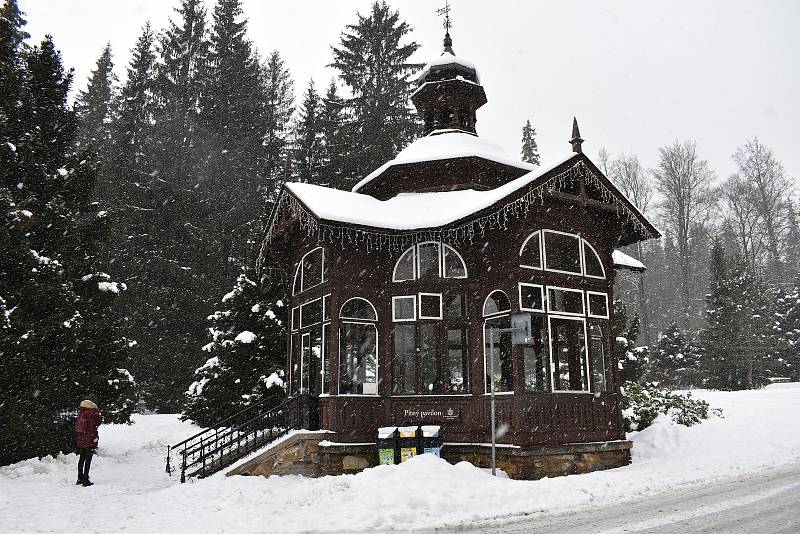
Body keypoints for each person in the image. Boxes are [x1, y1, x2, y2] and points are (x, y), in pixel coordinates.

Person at [75, 396, 102, 486]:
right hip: (90, 437)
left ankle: (80, 478)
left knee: (82, 458)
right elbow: (98, 422)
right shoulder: (93, 412)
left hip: (81, 437)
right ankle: (86, 479)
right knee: (88, 459)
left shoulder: (81, 411)